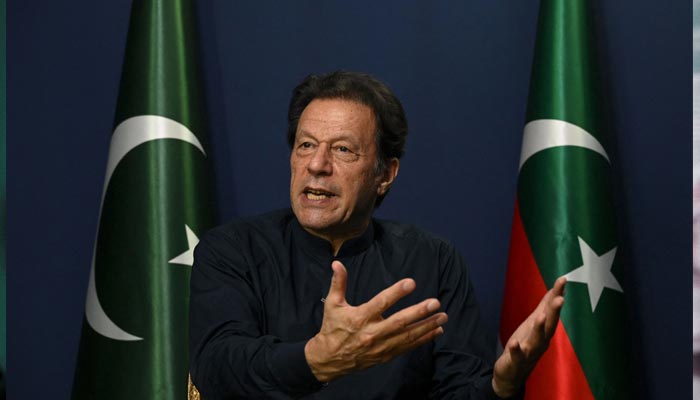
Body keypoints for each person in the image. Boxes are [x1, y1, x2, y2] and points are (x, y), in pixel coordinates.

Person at [189, 71, 566, 399]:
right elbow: (217, 368)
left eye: (342, 149)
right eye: (306, 145)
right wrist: (317, 360)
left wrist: (500, 387)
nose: (317, 165)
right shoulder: (232, 249)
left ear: (385, 174)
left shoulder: (432, 260)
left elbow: (459, 389)